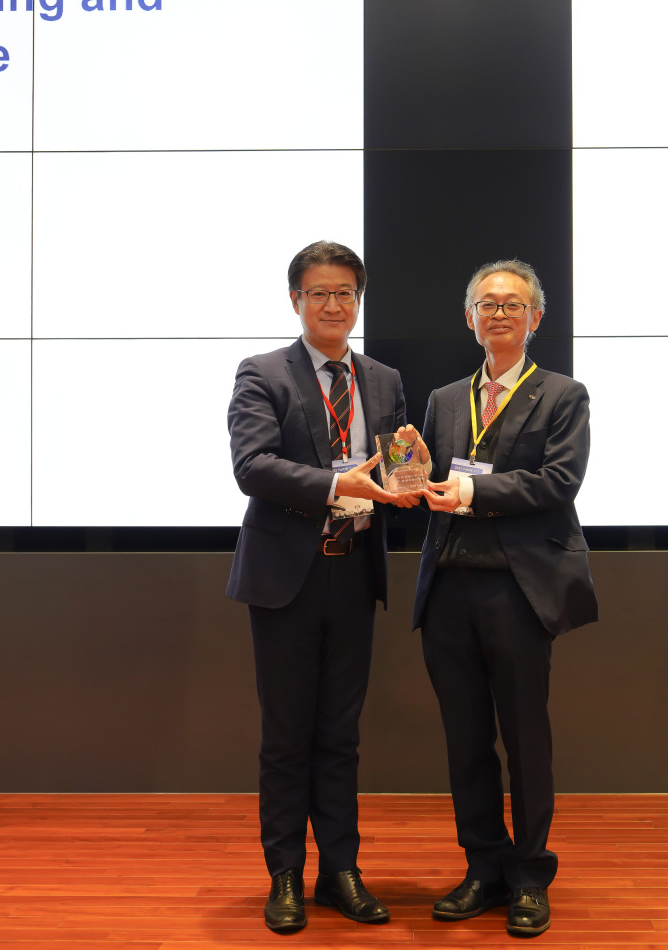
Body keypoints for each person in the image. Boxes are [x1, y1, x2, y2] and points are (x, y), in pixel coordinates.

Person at [225, 240, 415, 933]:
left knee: (340, 734)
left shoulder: (384, 379)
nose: (333, 305)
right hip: (287, 579)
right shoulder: (262, 373)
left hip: (355, 570)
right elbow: (253, 466)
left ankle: (340, 870)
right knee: (287, 736)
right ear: (296, 300)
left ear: (358, 300)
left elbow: (392, 467)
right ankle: (284, 874)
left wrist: (409, 480)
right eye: (319, 293)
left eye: (345, 293)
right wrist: (338, 483)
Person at [413, 259, 595, 939]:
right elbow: (430, 481)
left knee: (525, 739)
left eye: (511, 304)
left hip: (518, 590)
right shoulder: (443, 399)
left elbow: (559, 482)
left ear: (534, 318)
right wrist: (408, 477)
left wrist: (469, 490)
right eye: (487, 304)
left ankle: (529, 876)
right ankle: (482, 868)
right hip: (448, 588)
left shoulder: (563, 394)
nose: (498, 314)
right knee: (465, 741)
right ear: (470, 318)